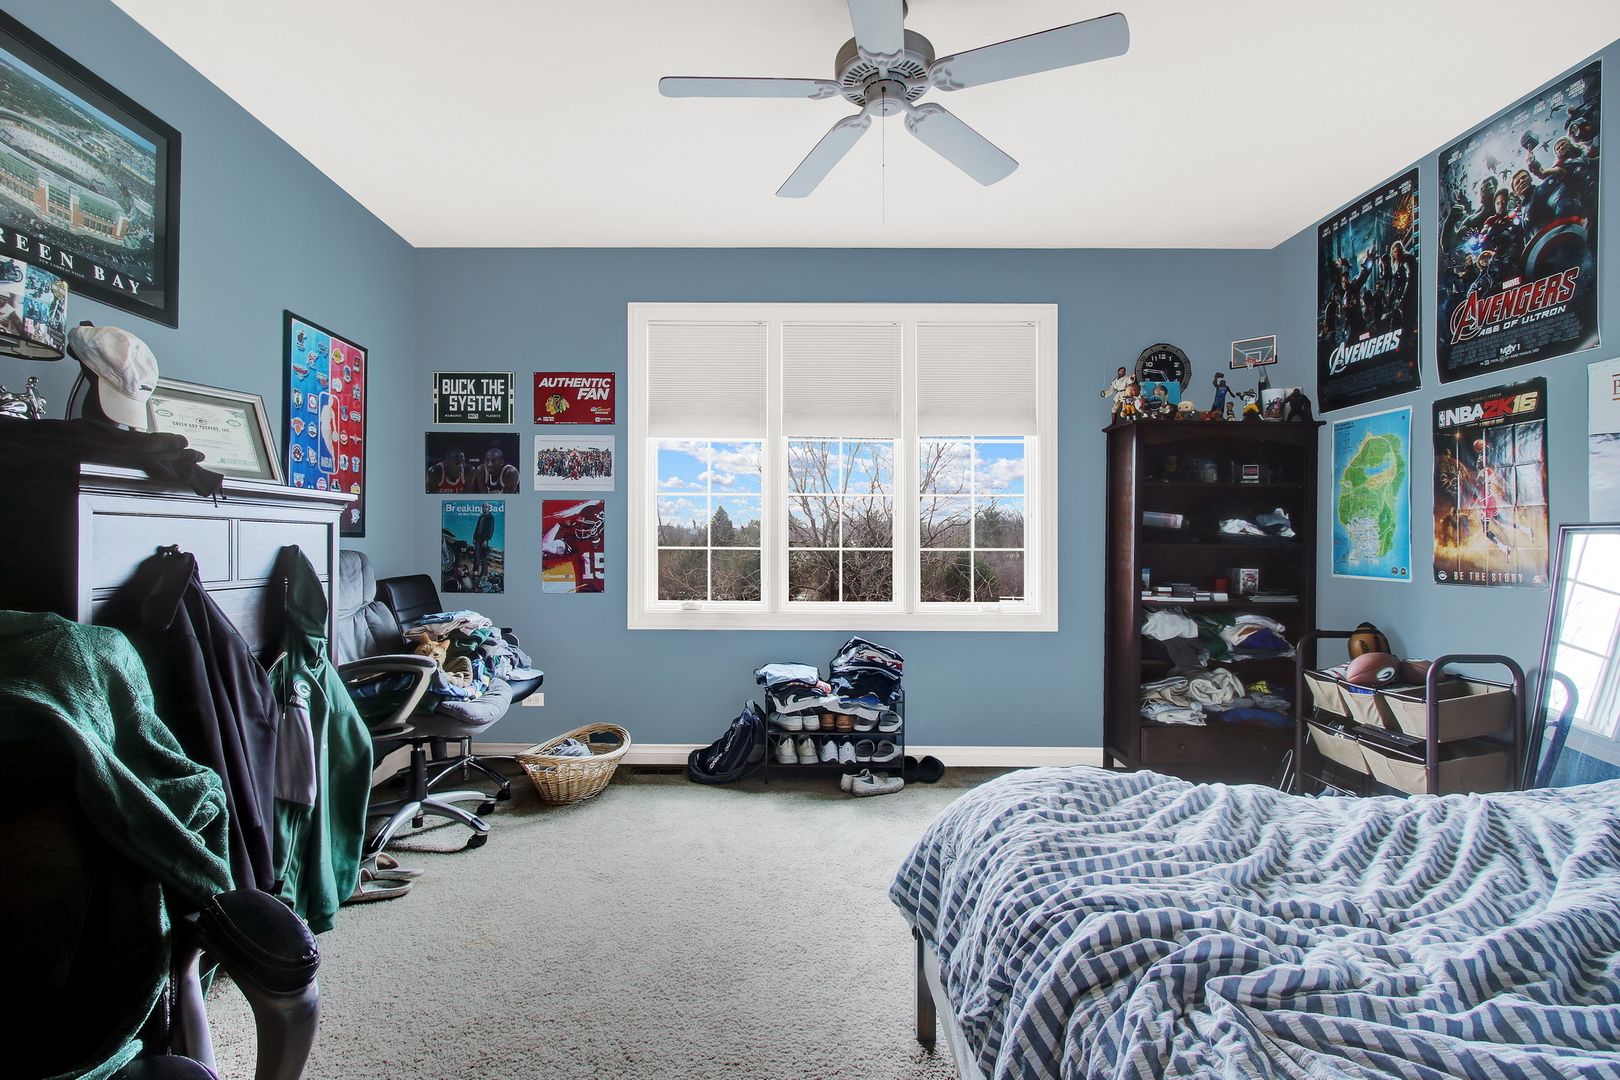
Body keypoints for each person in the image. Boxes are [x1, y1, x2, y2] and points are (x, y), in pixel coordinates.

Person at [472, 503, 496, 586]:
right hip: (478, 538)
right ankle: (475, 572)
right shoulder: (481, 517)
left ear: (489, 508)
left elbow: (490, 529)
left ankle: (484, 574)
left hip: (484, 539)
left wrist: (486, 539)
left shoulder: (490, 518)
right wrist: (474, 538)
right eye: (483, 507)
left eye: (486, 507)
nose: (484, 509)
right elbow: (477, 528)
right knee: (476, 555)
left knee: (483, 556)